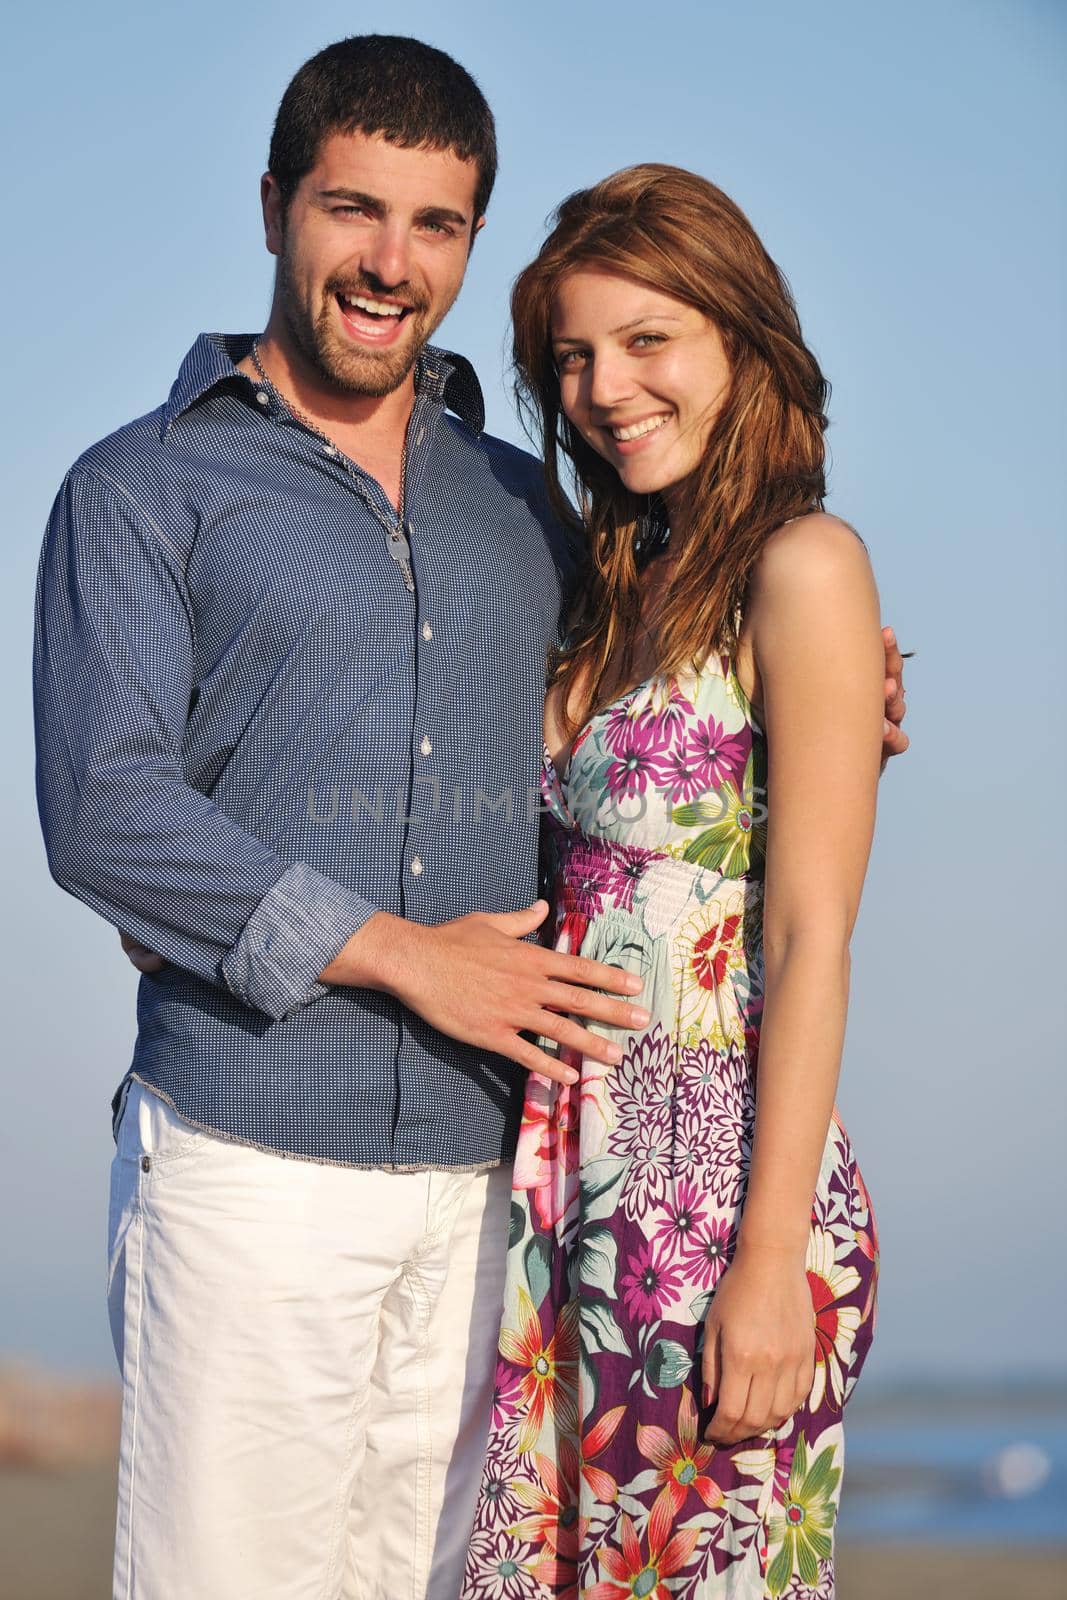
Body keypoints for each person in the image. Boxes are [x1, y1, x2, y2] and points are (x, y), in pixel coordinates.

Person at [32, 37, 907, 1600]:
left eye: (434, 225)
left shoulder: (528, 512)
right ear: (275, 207)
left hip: (504, 1195)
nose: (388, 261)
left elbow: (701, 730)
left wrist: (851, 689)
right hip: (250, 1157)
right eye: (350, 210)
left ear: (467, 241)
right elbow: (105, 813)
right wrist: (398, 955)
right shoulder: (139, 491)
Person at [461, 164, 888, 1600]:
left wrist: (772, 1262)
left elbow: (812, 933)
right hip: (560, 1178)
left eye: (648, 340)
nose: (603, 385)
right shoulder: (595, 585)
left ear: (740, 341)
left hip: (715, 1195)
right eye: (573, 355)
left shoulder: (806, 566)